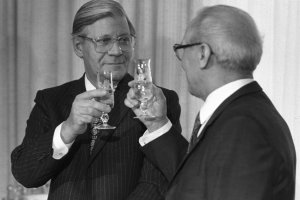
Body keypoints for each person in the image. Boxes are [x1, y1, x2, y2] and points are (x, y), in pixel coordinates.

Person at [11, 0, 183, 199]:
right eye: (104, 40)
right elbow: (26, 175)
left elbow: (156, 184)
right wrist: (67, 129)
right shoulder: (51, 100)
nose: (117, 50)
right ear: (78, 46)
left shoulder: (155, 101)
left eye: (124, 39)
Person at [125, 5, 296, 200]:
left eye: (180, 49)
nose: (180, 62)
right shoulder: (241, 114)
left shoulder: (244, 128)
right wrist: (156, 123)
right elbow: (198, 180)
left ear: (203, 54)